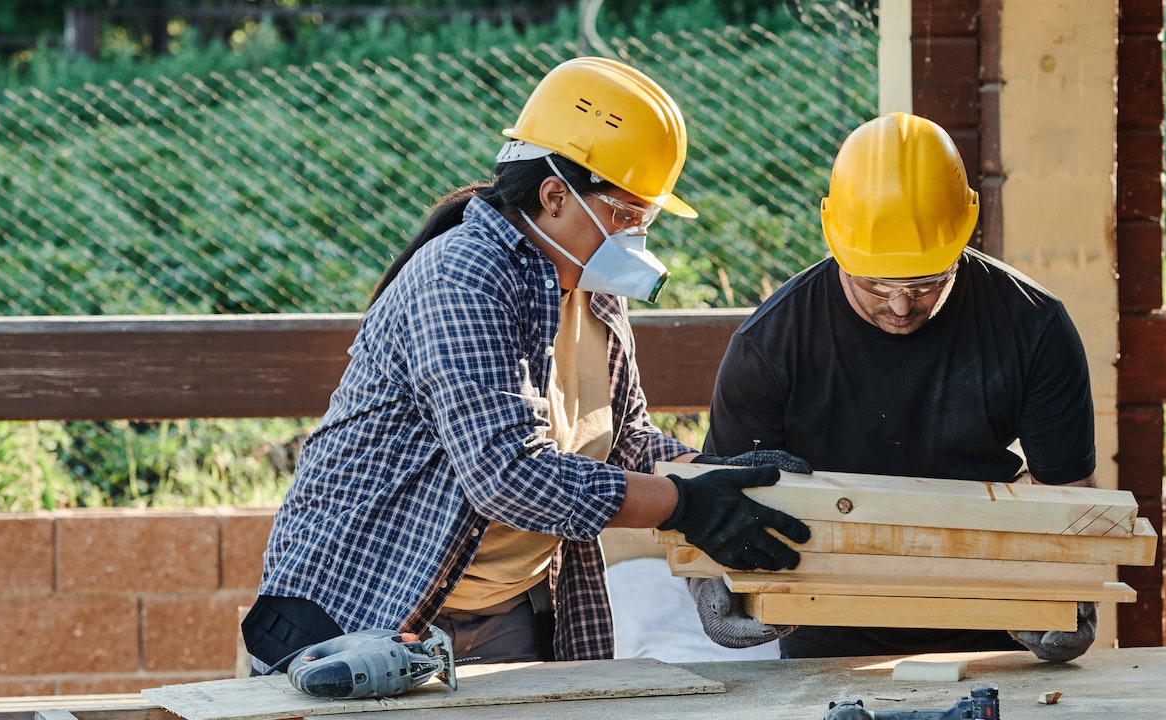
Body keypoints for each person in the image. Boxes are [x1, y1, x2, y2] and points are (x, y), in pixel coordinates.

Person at [242, 57, 810, 670]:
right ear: (555, 195)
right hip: (368, 603)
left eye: (644, 219)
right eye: (625, 215)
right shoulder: (463, 276)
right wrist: (684, 504)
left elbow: (625, 443)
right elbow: (506, 473)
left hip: (504, 604)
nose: (636, 238)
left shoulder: (594, 293)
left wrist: (716, 476)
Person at [687, 112, 1101, 662]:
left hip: (994, 623)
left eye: (927, 281)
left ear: (965, 233)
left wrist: (1067, 587)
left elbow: (1070, 493)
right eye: (876, 282)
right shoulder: (771, 343)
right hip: (824, 624)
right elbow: (719, 498)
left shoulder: (1034, 326)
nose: (901, 305)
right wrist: (708, 583)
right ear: (836, 240)